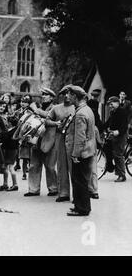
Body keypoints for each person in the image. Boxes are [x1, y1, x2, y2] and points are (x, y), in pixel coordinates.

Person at [65, 85, 96, 216]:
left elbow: (80, 137)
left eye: (69, 95)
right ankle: (79, 206)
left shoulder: (81, 113)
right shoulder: (87, 109)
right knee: (81, 180)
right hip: (88, 151)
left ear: (75, 97)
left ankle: (82, 209)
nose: (67, 97)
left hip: (82, 153)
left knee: (79, 181)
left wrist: (75, 154)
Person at [24, 88, 58, 197]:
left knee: (50, 166)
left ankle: (53, 189)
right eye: (42, 94)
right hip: (36, 140)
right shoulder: (38, 107)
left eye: (45, 94)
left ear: (51, 97)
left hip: (49, 141)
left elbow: (48, 116)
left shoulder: (54, 108)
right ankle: (33, 190)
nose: (42, 96)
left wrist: (36, 110)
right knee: (34, 165)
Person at [45, 85, 75, 202]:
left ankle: (76, 194)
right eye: (64, 94)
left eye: (69, 93)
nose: (67, 96)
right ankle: (63, 193)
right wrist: (56, 123)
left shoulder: (76, 108)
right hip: (59, 138)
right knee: (61, 166)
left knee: (73, 167)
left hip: (72, 139)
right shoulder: (56, 108)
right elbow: (47, 121)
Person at [103, 96, 129, 182]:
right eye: (109, 104)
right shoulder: (113, 112)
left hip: (121, 135)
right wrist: (101, 127)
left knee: (118, 154)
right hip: (113, 134)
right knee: (106, 147)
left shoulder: (122, 111)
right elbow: (108, 122)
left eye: (111, 104)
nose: (110, 106)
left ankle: (122, 175)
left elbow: (124, 125)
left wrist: (118, 132)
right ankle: (110, 166)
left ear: (117, 103)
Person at [0, 99, 18, 191]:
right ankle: (5, 184)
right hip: (10, 148)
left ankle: (11, 184)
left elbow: (3, 136)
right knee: (5, 166)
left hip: (5, 147)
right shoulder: (14, 131)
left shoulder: (8, 131)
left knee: (6, 167)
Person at [15, 95, 32, 180]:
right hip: (20, 135)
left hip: (28, 135)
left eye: (25, 102)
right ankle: (24, 173)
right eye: (22, 102)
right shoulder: (17, 112)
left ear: (28, 104)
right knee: (24, 157)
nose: (23, 104)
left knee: (30, 156)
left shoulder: (31, 113)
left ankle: (31, 170)